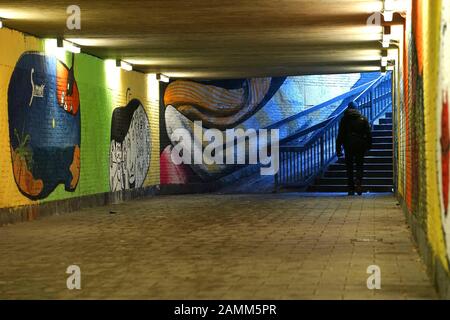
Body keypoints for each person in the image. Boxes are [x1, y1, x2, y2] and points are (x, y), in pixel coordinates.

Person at [336, 101, 372, 196]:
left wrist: (338, 149)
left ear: (348, 108)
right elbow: (368, 133)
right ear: (357, 108)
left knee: (349, 167)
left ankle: (351, 188)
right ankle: (359, 183)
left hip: (348, 145)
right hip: (360, 145)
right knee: (359, 165)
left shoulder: (344, 119)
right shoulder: (363, 119)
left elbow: (340, 135)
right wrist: (369, 145)